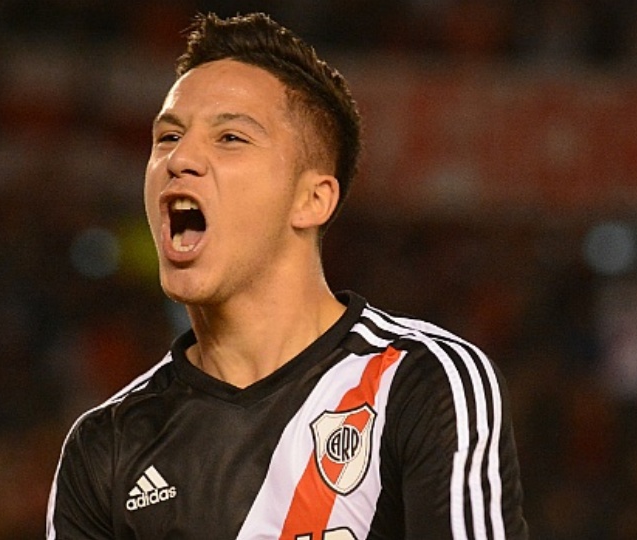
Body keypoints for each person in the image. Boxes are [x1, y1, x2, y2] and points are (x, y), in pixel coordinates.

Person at [46, 12, 527, 540]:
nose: (180, 159)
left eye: (230, 137)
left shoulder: (421, 381)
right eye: (168, 137)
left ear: (312, 199)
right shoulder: (107, 446)